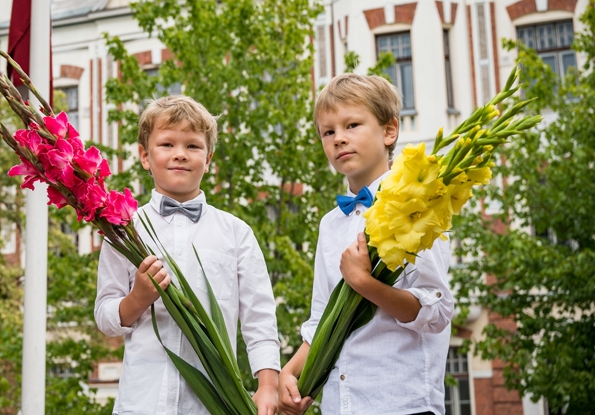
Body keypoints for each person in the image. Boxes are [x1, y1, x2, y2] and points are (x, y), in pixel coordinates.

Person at [278, 73, 454, 415]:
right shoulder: (330, 224)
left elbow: (436, 310)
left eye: (352, 125)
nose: (339, 139)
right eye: (328, 132)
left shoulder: (416, 205)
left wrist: (363, 283)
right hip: (339, 406)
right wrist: (291, 372)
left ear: (389, 131)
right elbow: (321, 320)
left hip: (401, 403)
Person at [95, 95, 280, 415]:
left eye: (193, 146)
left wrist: (267, 386)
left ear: (208, 159)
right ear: (144, 156)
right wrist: (137, 298)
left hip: (214, 405)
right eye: (167, 144)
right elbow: (105, 317)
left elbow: (259, 319)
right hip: (142, 402)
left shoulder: (237, 234)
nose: (180, 154)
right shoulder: (123, 230)